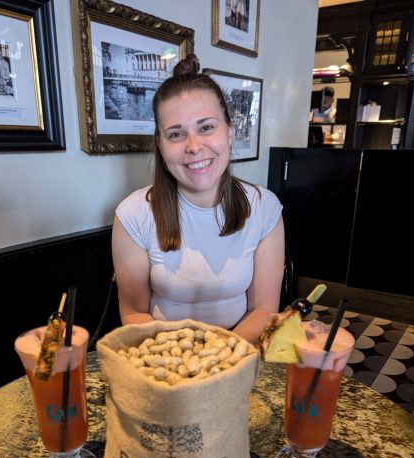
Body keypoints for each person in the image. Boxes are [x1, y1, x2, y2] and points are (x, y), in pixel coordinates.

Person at [112, 54, 285, 344]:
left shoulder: (264, 207)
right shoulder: (132, 214)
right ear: (160, 144)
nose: (193, 147)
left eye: (206, 128)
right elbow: (133, 312)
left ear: (230, 133)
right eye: (176, 134)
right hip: (165, 356)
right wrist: (183, 357)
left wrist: (220, 358)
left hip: (239, 351)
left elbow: (264, 310)